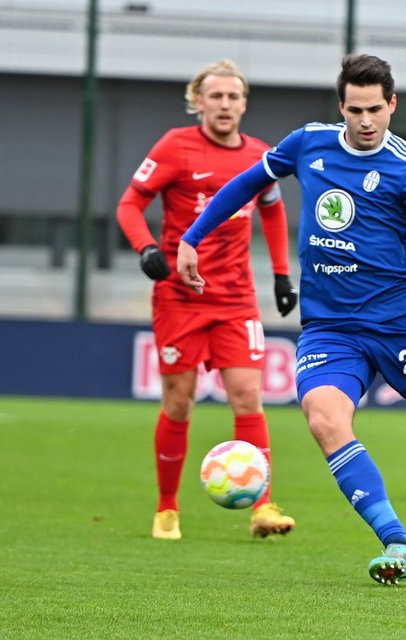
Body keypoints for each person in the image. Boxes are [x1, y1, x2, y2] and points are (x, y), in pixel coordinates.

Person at [175, 54, 406, 584]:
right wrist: (191, 238)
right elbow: (244, 186)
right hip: (330, 326)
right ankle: (399, 542)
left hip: (402, 324)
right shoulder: (309, 143)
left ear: (392, 105)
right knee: (324, 419)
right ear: (341, 107)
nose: (366, 122)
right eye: (355, 110)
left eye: (375, 110)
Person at [116, 59, 298, 541]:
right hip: (179, 296)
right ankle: (167, 508)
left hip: (236, 298)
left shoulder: (260, 155)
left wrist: (281, 275)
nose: (224, 105)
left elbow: (274, 213)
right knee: (179, 402)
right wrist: (147, 248)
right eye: (215, 96)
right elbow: (130, 204)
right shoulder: (175, 146)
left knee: (247, 394)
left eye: (233, 97)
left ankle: (262, 507)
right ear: (198, 101)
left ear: (243, 104)